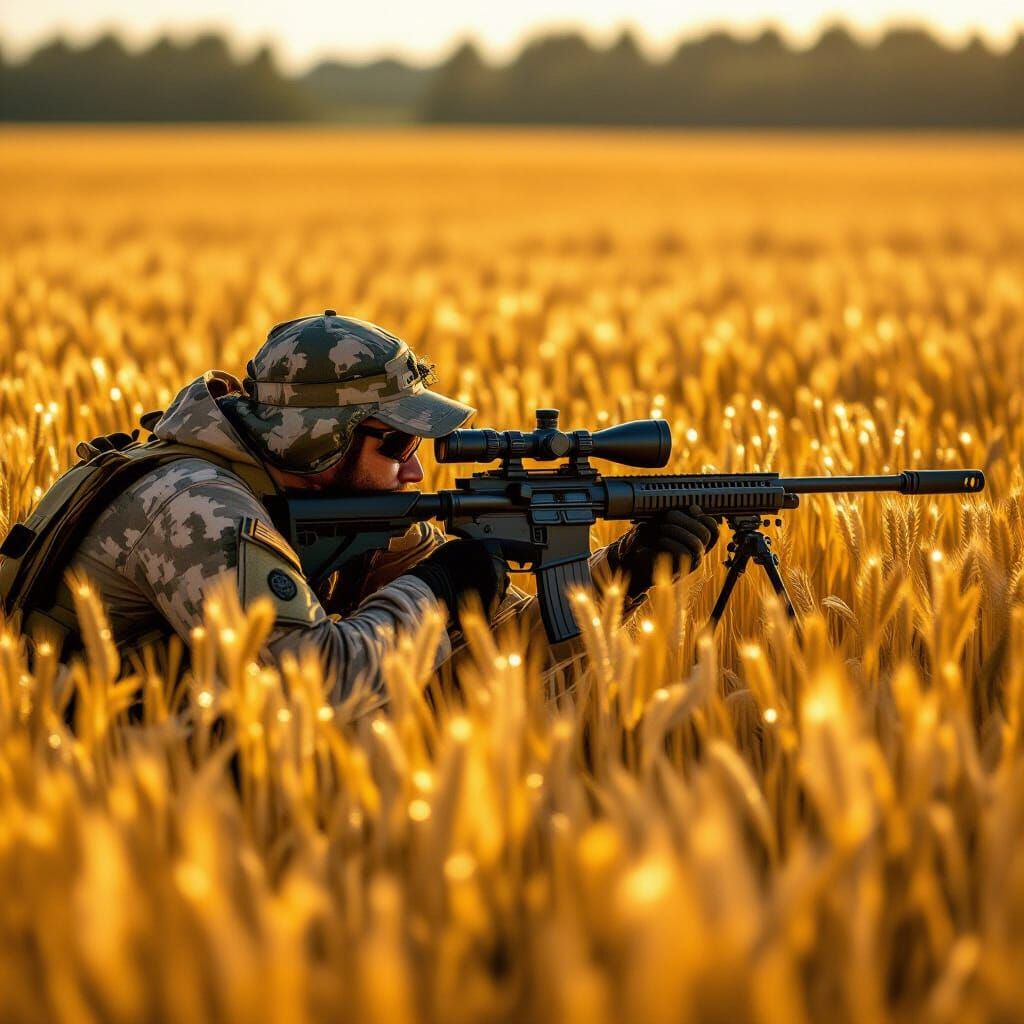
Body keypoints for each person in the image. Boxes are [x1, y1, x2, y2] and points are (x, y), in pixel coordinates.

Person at [55, 311, 718, 701]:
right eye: (394, 441)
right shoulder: (194, 507)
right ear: (318, 441)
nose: (414, 466)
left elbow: (491, 662)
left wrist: (618, 575)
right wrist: (435, 591)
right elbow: (314, 689)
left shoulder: (355, 511)